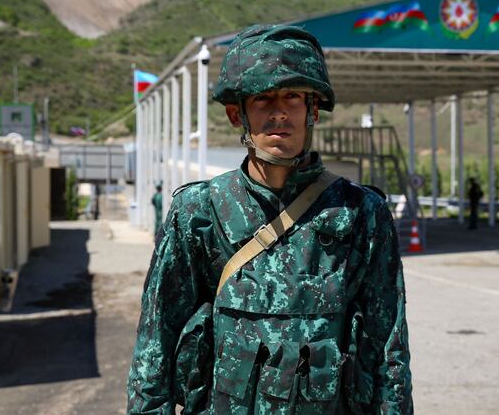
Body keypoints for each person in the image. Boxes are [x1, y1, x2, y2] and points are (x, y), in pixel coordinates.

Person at [127, 24, 413, 414]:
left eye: (293, 97)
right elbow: (155, 343)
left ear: (312, 109)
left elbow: (388, 348)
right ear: (236, 113)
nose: (279, 112)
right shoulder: (200, 212)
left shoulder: (361, 213)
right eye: (263, 99)